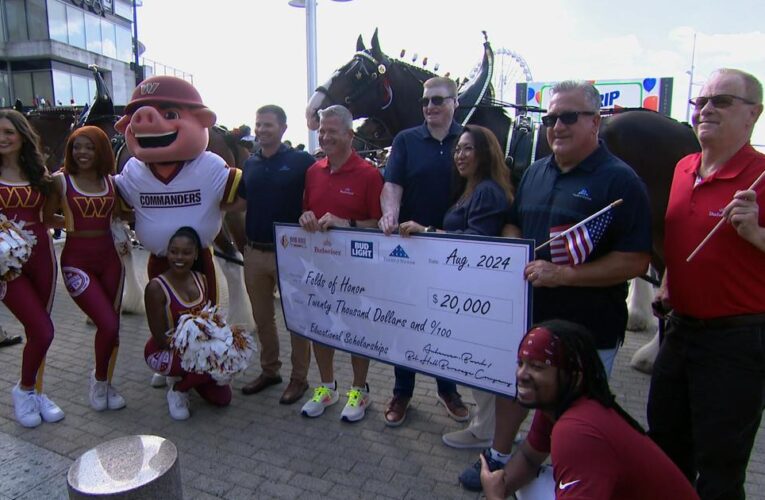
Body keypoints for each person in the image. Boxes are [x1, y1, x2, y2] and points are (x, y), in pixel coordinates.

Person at [460, 80, 652, 491]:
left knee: (574, 410)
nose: (557, 126)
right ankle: (498, 456)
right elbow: (512, 219)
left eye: (568, 117)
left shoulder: (621, 182)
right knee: (517, 386)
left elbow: (637, 259)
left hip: (588, 327)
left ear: (595, 122)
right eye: (550, 118)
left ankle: (564, 475)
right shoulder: (534, 172)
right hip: (530, 315)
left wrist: (565, 274)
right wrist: (512, 250)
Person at [647, 68, 765, 500]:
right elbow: (684, 238)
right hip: (679, 333)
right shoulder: (683, 168)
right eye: (701, 101)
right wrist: (669, 282)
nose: (706, 109)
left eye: (722, 101)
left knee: (719, 469)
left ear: (753, 114)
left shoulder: (762, 174)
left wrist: (756, 233)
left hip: (736, 344)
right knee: (665, 449)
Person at [398, 125, 523, 451]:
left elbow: (477, 243)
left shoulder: (487, 191)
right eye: (458, 149)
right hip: (468, 291)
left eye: (468, 149)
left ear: (485, 152)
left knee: (483, 362)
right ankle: (487, 425)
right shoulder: (471, 188)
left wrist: (426, 231)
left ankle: (486, 431)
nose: (460, 155)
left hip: (480, 293)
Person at [479, 320, 698, 499]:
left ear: (574, 377)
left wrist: (495, 498)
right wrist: (502, 487)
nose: (522, 375)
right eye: (520, 363)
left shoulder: (576, 430)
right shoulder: (560, 403)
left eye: (537, 367)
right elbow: (528, 457)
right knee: (529, 486)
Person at [379, 76, 469, 427]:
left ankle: (448, 388)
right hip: (410, 246)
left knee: (444, 322)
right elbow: (392, 184)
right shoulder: (406, 140)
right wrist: (390, 212)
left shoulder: (468, 139)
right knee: (406, 320)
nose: (430, 106)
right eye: (425, 101)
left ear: (454, 102)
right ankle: (402, 390)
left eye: (438, 100)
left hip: (452, 248)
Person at [298, 105, 383, 422]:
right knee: (321, 328)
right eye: (321, 130)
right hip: (320, 270)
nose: (324, 135)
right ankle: (327, 387)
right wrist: (305, 218)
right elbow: (309, 213)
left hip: (357, 272)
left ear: (350, 134)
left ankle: (360, 391)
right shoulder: (312, 172)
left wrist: (346, 223)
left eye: (332, 130)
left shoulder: (369, 174)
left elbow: (377, 224)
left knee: (357, 330)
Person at [43, 126, 126, 412]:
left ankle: (106, 382)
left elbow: (122, 215)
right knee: (108, 323)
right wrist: (70, 223)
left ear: (101, 150)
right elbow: (44, 217)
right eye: (77, 147)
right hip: (76, 261)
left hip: (111, 261)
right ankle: (98, 379)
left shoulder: (112, 182)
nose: (82, 153)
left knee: (113, 328)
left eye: (89, 147)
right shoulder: (60, 181)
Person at [237, 105, 315, 404]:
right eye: (258, 125)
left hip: (291, 254)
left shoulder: (301, 162)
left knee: (296, 320)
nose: (261, 130)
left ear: (283, 128)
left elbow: (318, 194)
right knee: (262, 319)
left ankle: (300, 379)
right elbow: (239, 203)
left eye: (268, 125)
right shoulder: (251, 164)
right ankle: (270, 371)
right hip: (255, 252)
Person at [0, 109, 65, 428]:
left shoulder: (41, 175)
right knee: (43, 330)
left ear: (22, 135)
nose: (2, 138)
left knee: (38, 332)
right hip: (7, 266)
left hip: (42, 258)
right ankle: (24, 389)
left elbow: (51, 218)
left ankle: (36, 392)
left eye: (9, 132)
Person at [144, 226, 232, 420]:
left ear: (195, 256)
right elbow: (160, 338)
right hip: (163, 351)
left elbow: (208, 322)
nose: (179, 258)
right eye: (173, 251)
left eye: (186, 252)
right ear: (167, 253)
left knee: (223, 398)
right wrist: (204, 353)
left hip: (194, 351)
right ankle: (178, 389)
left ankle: (185, 375)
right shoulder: (156, 288)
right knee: (212, 363)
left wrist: (221, 342)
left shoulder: (202, 279)